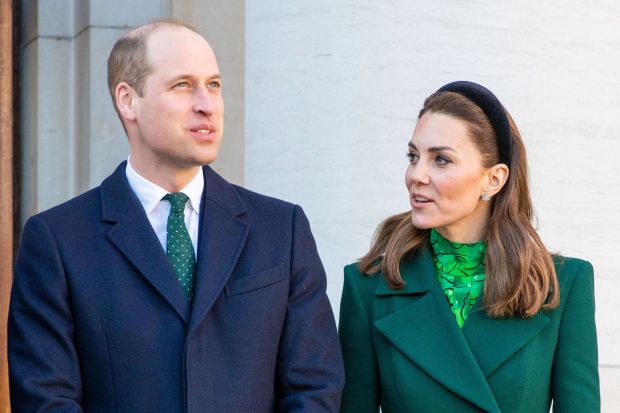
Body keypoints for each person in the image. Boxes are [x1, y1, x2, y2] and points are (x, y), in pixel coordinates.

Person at [9, 19, 344, 412]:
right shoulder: (57, 241)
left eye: (214, 84)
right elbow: (45, 399)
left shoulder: (281, 229)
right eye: (183, 85)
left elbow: (315, 388)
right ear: (128, 100)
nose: (206, 104)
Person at [339, 81, 599, 413]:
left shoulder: (561, 286)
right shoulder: (368, 288)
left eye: (441, 160)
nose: (416, 175)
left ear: (493, 179)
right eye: (413, 156)